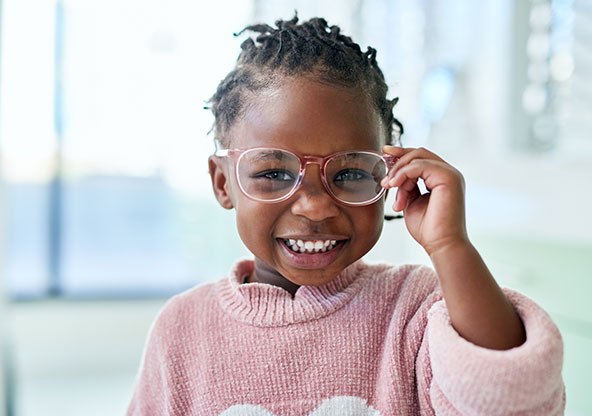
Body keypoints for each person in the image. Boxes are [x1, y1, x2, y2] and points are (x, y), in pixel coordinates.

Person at [126, 15, 565, 415]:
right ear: (223, 183)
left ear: (390, 175)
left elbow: (511, 400)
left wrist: (450, 246)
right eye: (275, 173)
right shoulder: (182, 329)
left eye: (351, 171)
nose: (315, 206)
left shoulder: (417, 308)